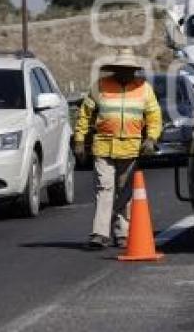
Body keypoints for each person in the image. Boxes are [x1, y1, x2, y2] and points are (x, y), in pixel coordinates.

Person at [73, 47, 162, 250]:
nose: (125, 72)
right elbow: (85, 115)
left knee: (125, 192)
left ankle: (122, 233)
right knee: (104, 188)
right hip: (103, 146)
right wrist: (79, 140)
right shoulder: (101, 86)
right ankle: (100, 233)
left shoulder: (144, 88)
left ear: (134, 71)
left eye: (129, 69)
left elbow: (154, 116)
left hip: (130, 148)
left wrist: (151, 138)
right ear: (115, 69)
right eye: (122, 69)